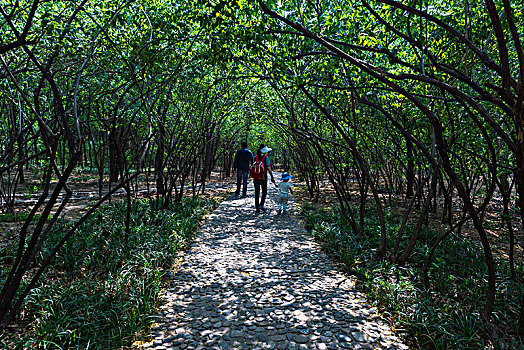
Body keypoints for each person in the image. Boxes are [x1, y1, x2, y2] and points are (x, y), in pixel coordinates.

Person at [253, 144, 276, 213]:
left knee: (257, 192)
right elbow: (268, 167)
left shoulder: (255, 157)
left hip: (256, 177)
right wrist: (272, 176)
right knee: (264, 191)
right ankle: (261, 205)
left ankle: (257, 208)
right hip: (263, 177)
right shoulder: (266, 157)